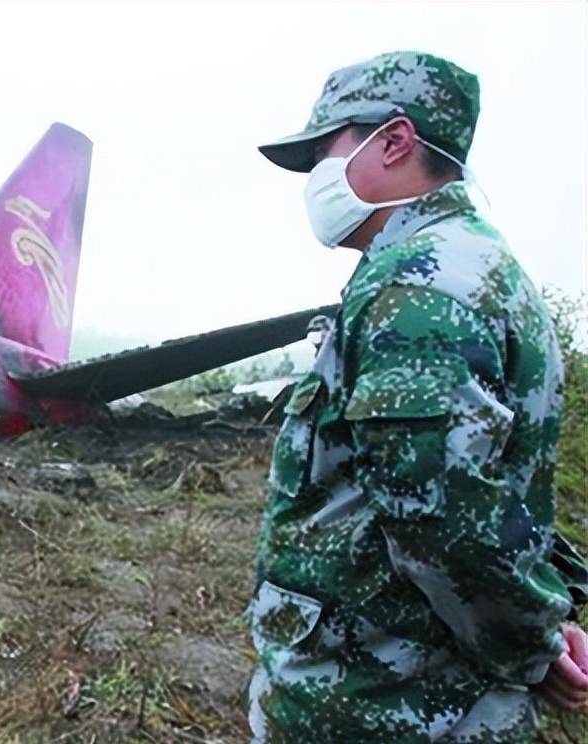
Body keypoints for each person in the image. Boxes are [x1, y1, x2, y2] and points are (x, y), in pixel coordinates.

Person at [250, 51, 587, 742]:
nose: (315, 176)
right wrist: (548, 617)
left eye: (324, 150)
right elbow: (496, 490)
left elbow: (438, 514)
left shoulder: (420, 288)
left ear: (396, 141)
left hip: (385, 701)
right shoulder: (476, 265)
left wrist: (534, 644)